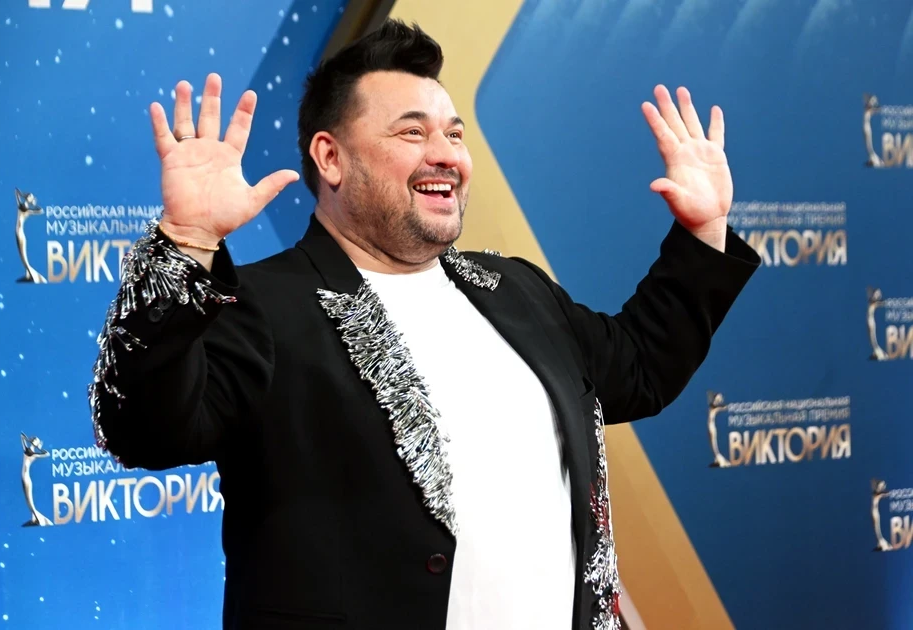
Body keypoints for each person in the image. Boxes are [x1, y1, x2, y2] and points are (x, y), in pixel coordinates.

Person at [87, 19, 759, 630]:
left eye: (454, 134)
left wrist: (703, 232)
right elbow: (142, 428)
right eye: (412, 133)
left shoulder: (515, 289)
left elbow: (640, 367)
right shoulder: (261, 304)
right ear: (330, 158)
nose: (446, 156)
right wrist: (187, 244)